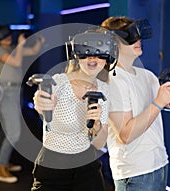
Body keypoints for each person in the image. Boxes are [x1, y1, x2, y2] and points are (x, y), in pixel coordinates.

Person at [101, 16, 170, 191]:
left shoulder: (147, 76)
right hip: (135, 174)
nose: (138, 40)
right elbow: (125, 134)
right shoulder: (113, 80)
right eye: (130, 36)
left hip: (159, 166)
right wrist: (158, 103)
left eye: (137, 35)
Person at [31, 29, 118, 191]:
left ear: (107, 57)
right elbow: (41, 101)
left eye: (99, 53)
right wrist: (41, 103)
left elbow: (99, 144)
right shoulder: (58, 83)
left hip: (87, 165)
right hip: (53, 165)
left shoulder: (104, 90)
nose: (93, 58)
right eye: (86, 52)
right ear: (77, 55)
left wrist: (96, 125)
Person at [0, 24, 45, 183]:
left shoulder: (13, 48)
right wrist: (21, 45)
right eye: (3, 36)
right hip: (7, 92)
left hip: (15, 91)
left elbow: (33, 51)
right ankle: (1, 168)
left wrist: (39, 42)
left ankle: (3, 161)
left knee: (7, 130)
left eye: (8, 35)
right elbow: (15, 62)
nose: (7, 38)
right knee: (14, 132)